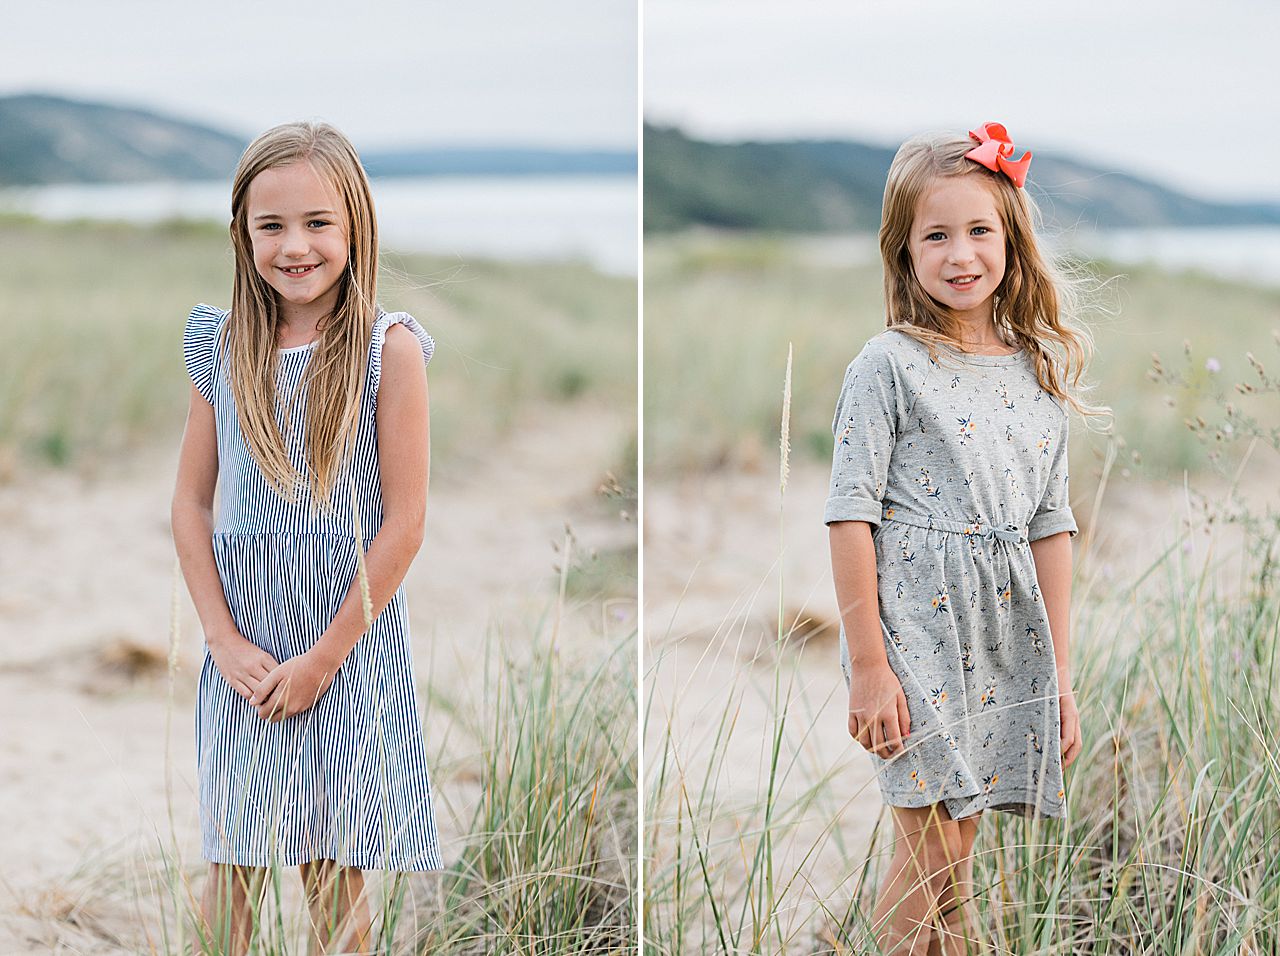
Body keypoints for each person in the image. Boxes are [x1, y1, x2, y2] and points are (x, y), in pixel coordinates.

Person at [825, 122, 1105, 955]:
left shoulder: (1036, 368)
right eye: (935, 235)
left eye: (979, 231)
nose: (960, 254)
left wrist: (1060, 674)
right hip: (913, 631)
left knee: (962, 848)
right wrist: (870, 667)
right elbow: (849, 514)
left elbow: (1050, 528)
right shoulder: (888, 364)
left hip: (1004, 631)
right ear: (903, 251)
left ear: (1012, 243)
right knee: (929, 842)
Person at [171, 121, 442, 955]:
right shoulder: (222, 346)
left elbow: (405, 523)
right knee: (235, 857)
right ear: (241, 234)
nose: (295, 246)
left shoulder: (386, 351)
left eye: (318, 223)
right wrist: (220, 639)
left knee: (332, 867)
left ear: (355, 225)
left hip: (343, 644)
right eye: (271, 226)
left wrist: (325, 657)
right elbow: (189, 505)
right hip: (244, 650)